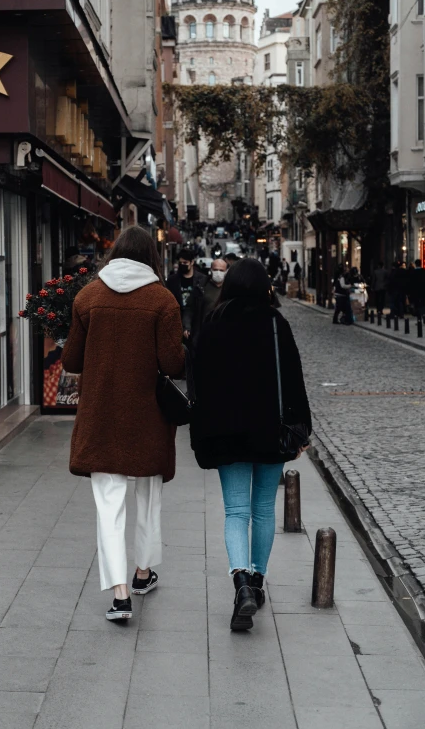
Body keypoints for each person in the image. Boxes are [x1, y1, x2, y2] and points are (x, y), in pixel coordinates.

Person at [62, 226, 185, 622]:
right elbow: (173, 364)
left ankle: (119, 594)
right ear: (151, 256)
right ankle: (143, 573)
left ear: (114, 254)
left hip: (101, 417)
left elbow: (71, 361)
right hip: (147, 418)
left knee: (108, 507)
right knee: (148, 500)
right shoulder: (162, 299)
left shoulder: (88, 296)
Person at [191, 259, 311, 631]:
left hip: (225, 431)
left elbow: (196, 379)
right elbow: (292, 378)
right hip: (269, 431)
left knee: (236, 511)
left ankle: (240, 580)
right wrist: (301, 429)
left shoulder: (211, 323)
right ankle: (257, 581)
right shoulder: (276, 323)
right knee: (263, 510)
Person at [166, 249, 207, 351]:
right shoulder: (172, 280)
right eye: (180, 263)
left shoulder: (202, 280)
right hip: (177, 322)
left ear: (192, 262)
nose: (182, 265)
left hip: (196, 323)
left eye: (185, 263)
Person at [411, 259, 425, 324]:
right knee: (423, 304)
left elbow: (410, 282)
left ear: (415, 264)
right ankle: (424, 315)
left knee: (417, 305)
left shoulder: (413, 272)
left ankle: (419, 319)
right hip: (423, 290)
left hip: (415, 291)